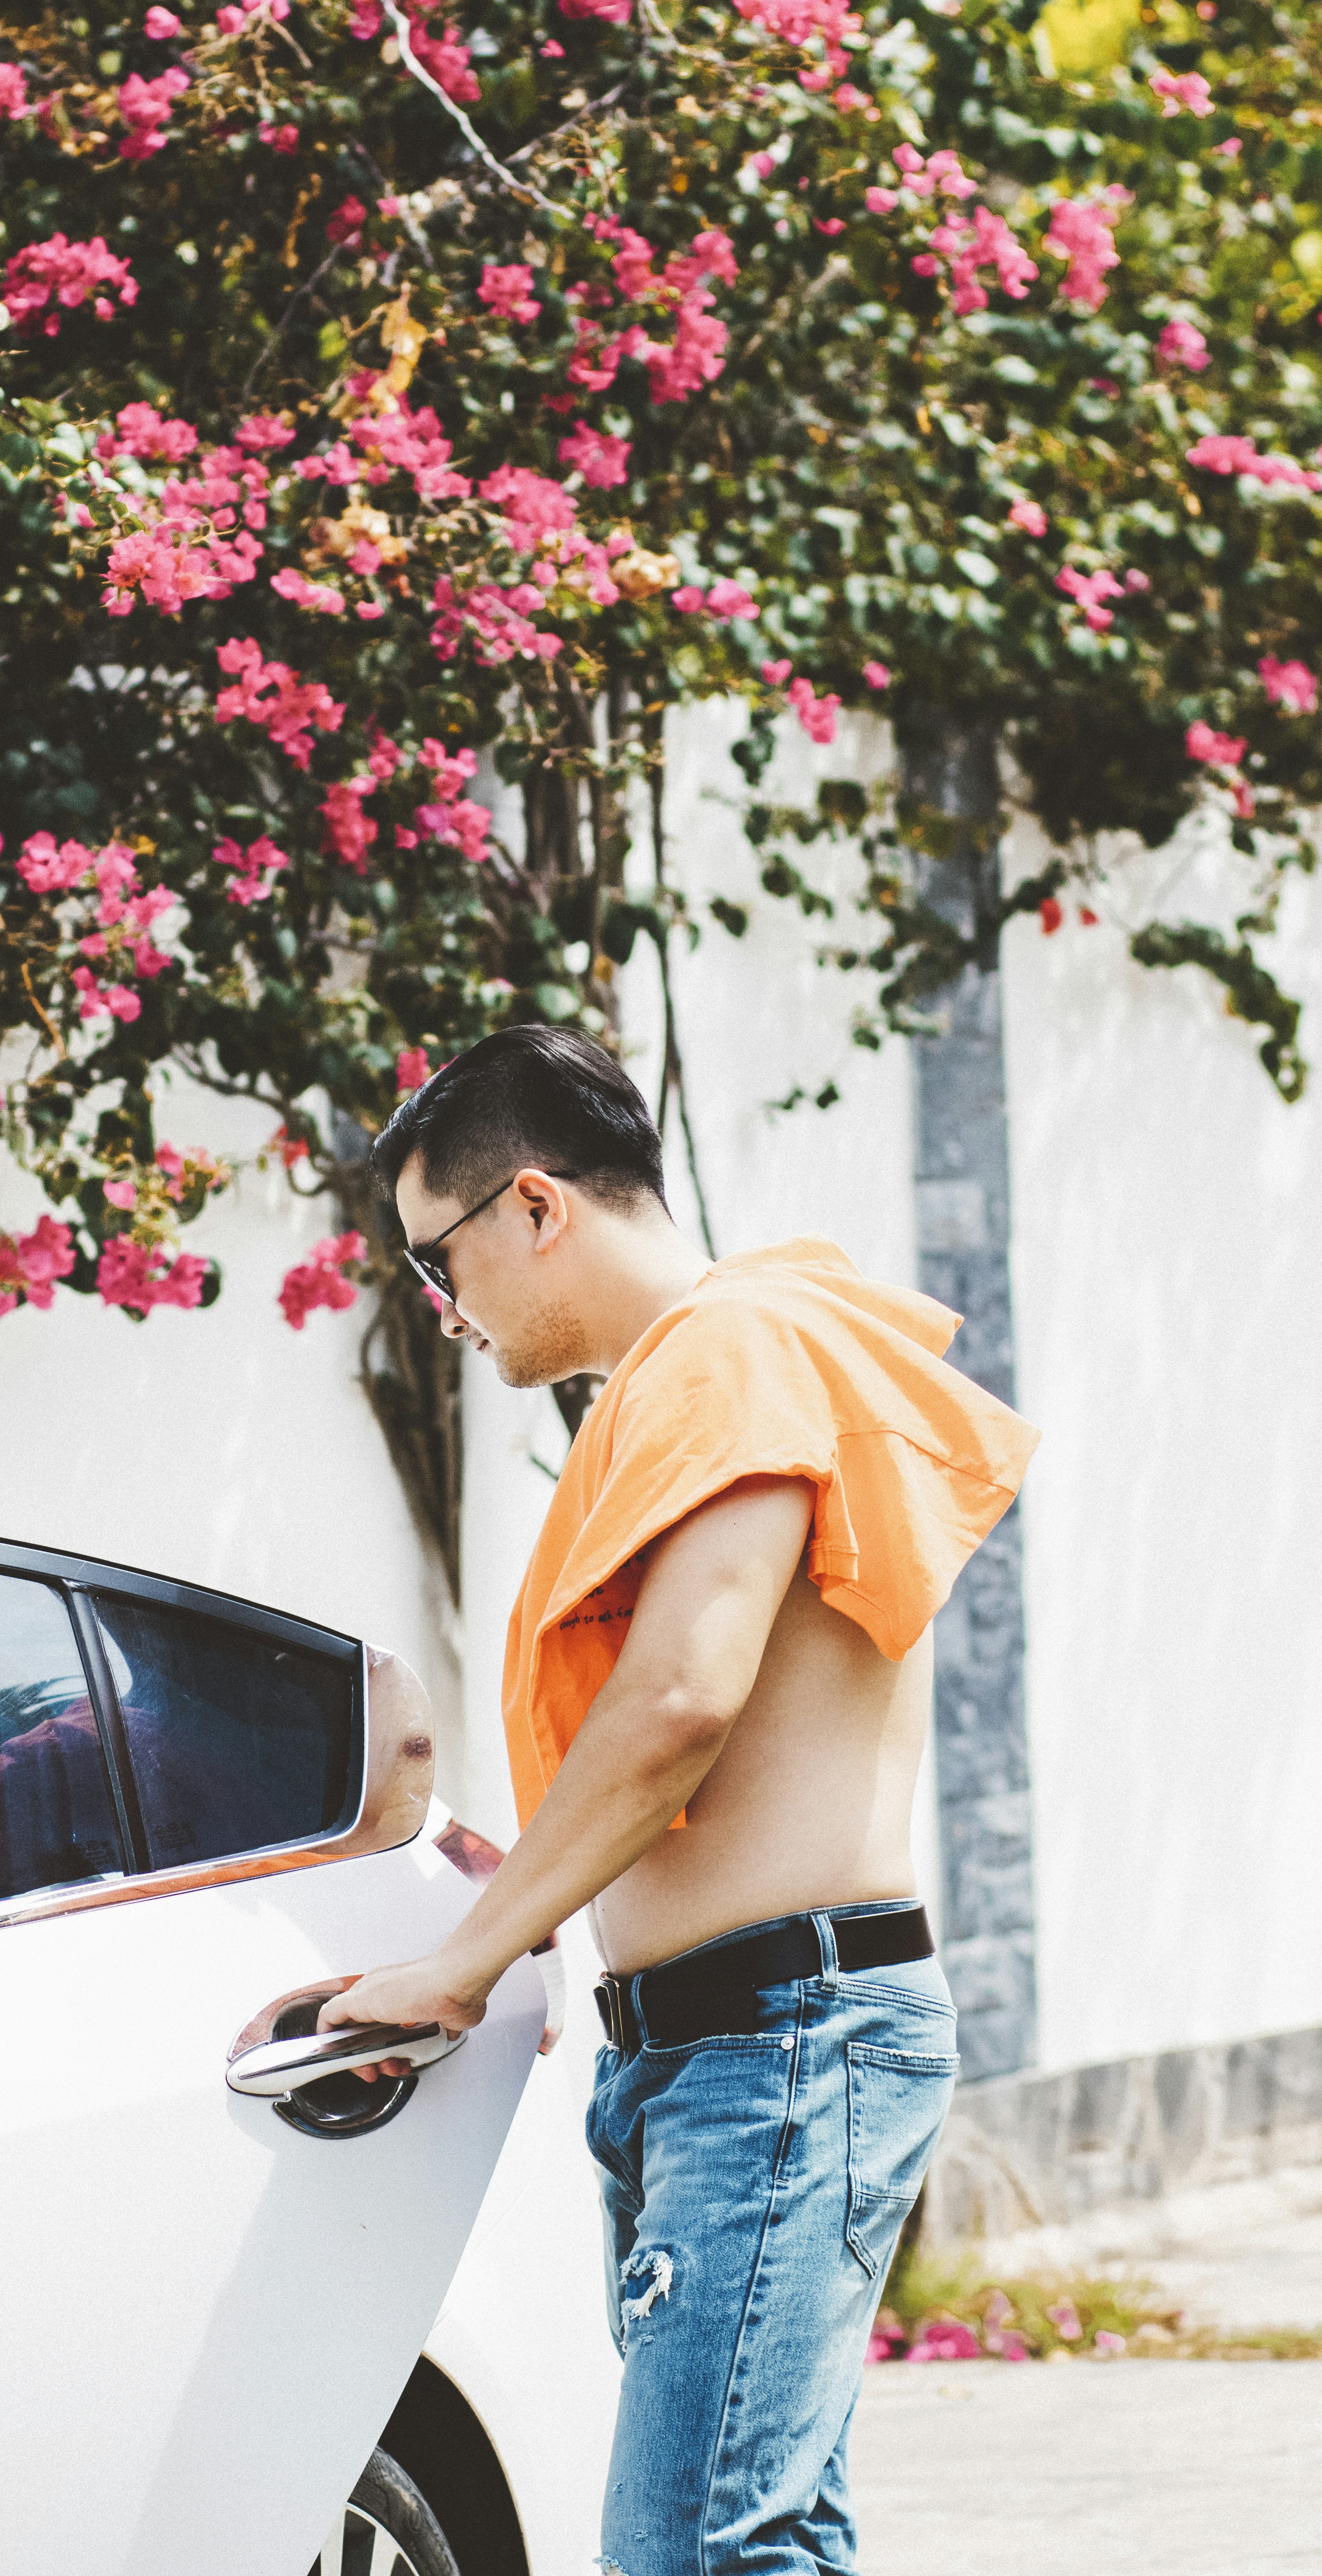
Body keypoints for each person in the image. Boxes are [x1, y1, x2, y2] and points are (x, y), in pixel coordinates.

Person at [318, 1025, 1038, 2575]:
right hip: (733, 2048)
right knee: (761, 2542)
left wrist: (468, 1957)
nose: (443, 1313)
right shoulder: (710, 1360)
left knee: (697, 2547)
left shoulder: (729, 1347)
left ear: (533, 1207)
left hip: (781, 2041)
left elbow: (679, 1701)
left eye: (439, 1262)